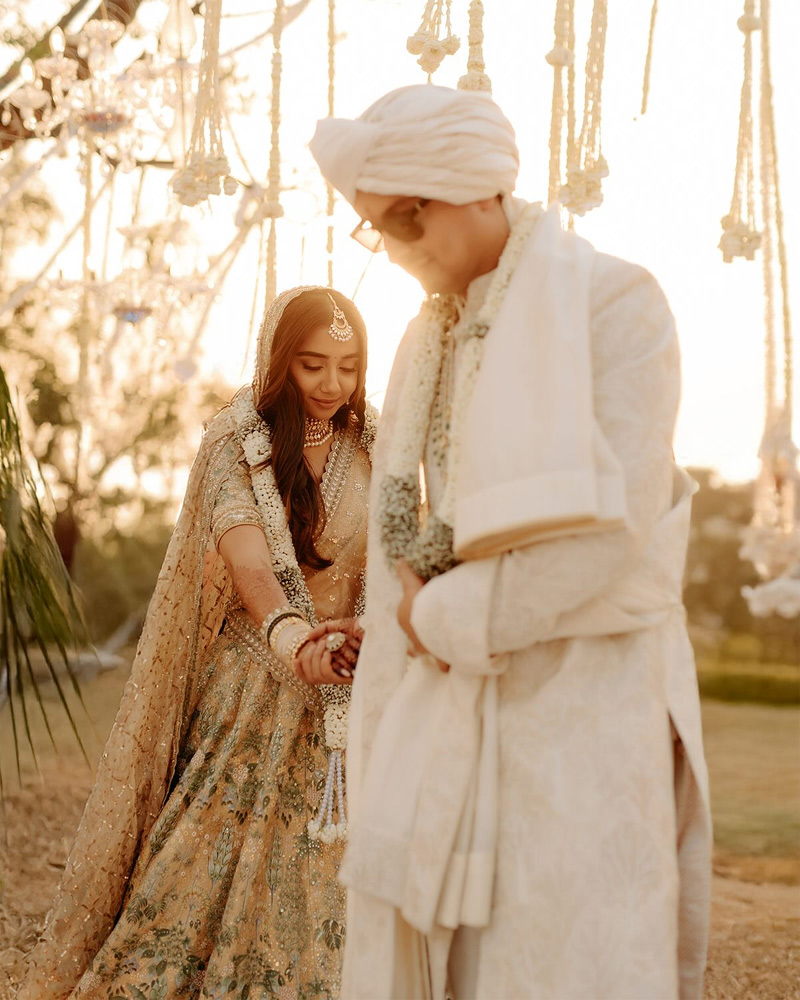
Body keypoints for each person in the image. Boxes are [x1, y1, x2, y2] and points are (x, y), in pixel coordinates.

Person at [310, 85, 711, 999]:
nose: (398, 249)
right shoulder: (422, 339)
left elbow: (616, 527)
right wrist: (399, 665)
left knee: (567, 950)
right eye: (377, 229)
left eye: (407, 219)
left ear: (476, 186)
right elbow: (405, 540)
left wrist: (441, 616)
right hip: (444, 689)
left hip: (588, 693)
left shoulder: (616, 303)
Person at [20, 286, 377, 999]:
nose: (332, 384)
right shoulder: (235, 440)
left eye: (348, 366)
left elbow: (396, 555)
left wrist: (362, 640)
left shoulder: (376, 444)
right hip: (252, 686)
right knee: (199, 866)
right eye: (312, 365)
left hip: (351, 684)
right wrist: (293, 639)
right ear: (279, 360)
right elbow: (247, 557)